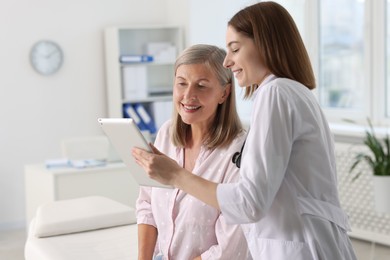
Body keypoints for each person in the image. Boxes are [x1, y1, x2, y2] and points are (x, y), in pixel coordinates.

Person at [133, 2, 357, 259]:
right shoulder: (293, 92)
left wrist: (176, 176)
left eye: (235, 49)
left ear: (265, 44)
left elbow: (249, 203)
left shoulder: (276, 92)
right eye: (181, 83)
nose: (228, 61)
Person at [135, 44, 251, 260]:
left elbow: (230, 249)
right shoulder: (167, 133)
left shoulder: (239, 152)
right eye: (182, 84)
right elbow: (146, 205)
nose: (188, 95)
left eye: (201, 86)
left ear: (224, 93)